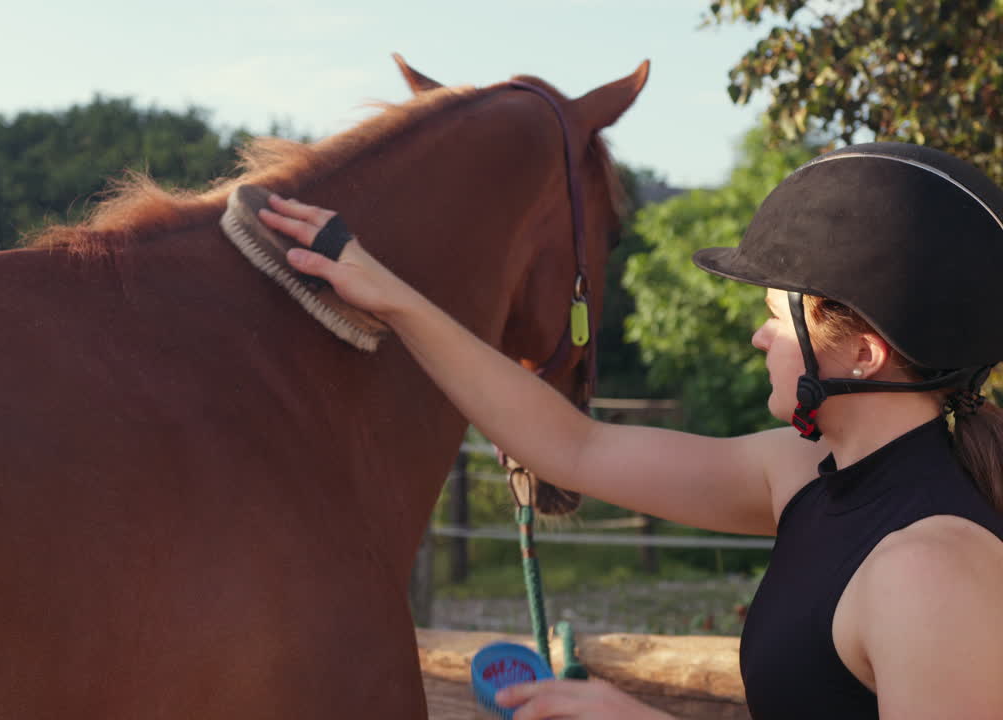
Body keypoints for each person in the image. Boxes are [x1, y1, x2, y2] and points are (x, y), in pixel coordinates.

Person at [257, 141, 1003, 720]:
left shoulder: (930, 570)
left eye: (778, 318)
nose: (757, 338)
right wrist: (388, 296)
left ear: (864, 356)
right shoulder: (807, 472)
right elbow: (575, 448)